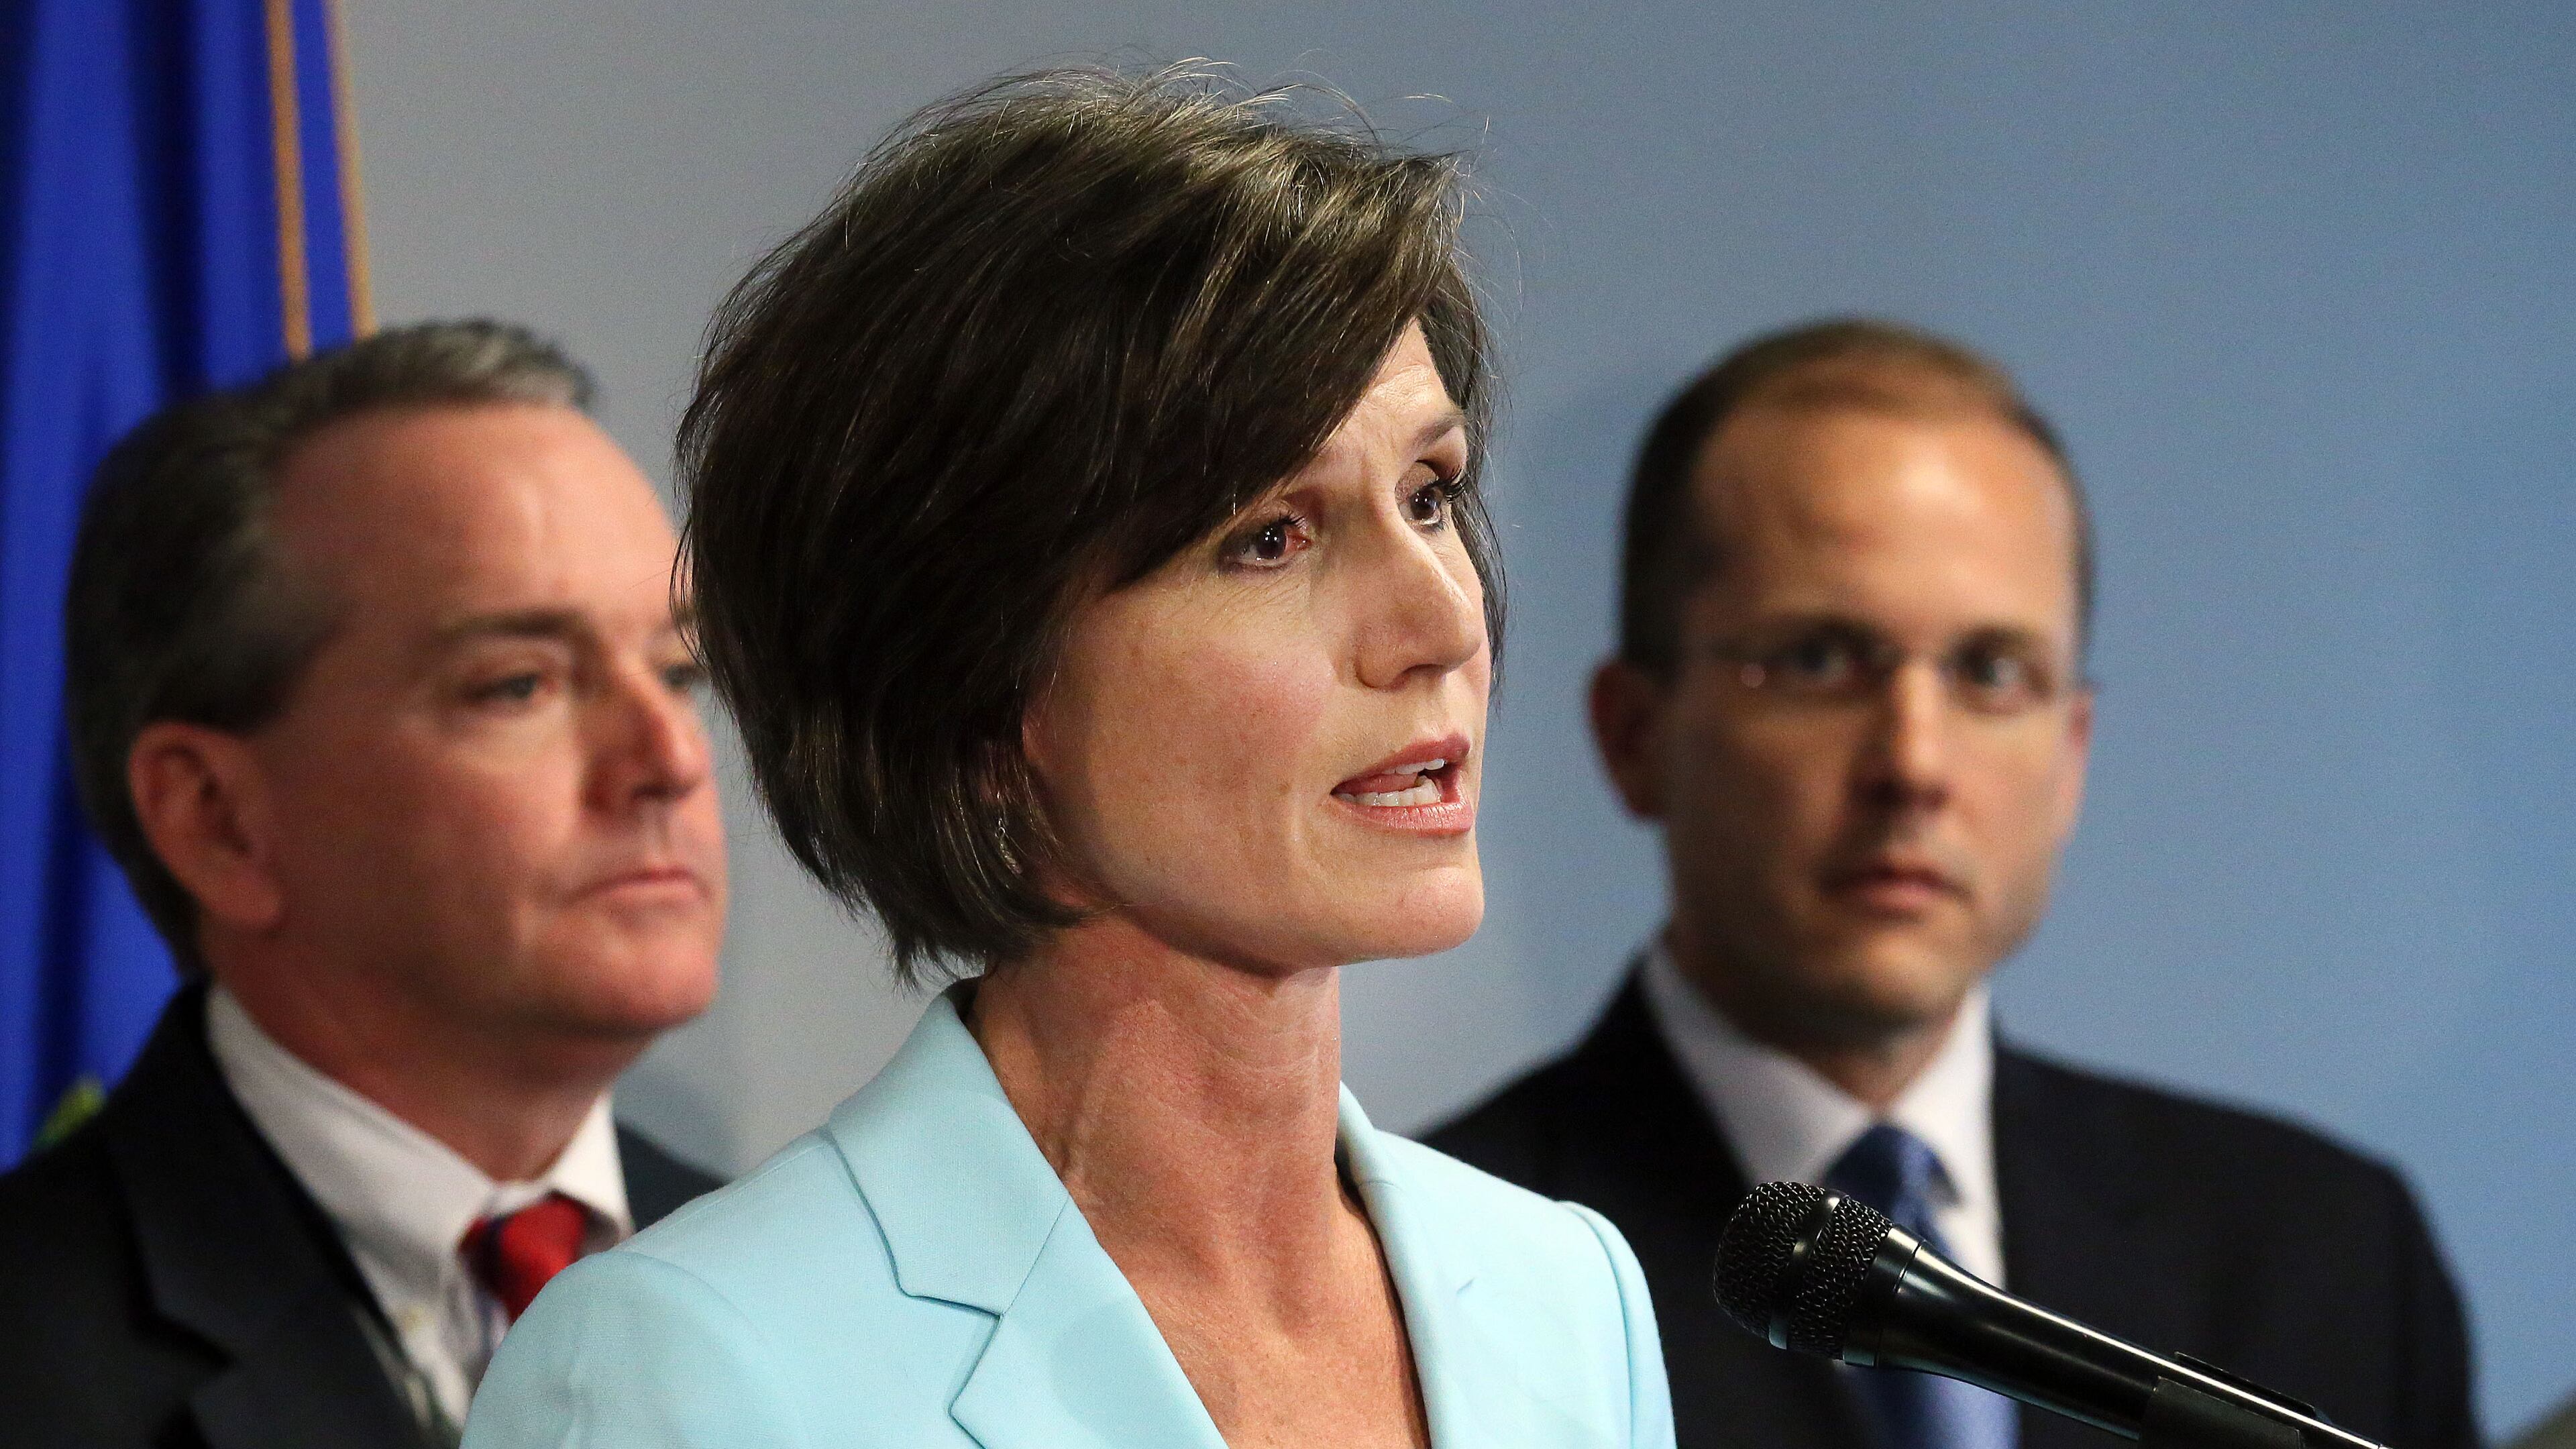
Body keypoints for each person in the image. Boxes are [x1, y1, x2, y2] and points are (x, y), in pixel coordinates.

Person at [465, 69, 1673, 1449]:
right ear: (976, 691)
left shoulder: (1567, 1296)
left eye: (1430, 496)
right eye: (1272, 534)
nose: (1443, 621)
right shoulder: (685, 1370)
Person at [1428, 321, 2478, 1449]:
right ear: (1634, 734)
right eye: (1821, 660)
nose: (1914, 765)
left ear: (2072, 751)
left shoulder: (2324, 1255)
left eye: (1991, 672)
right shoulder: (1441, 1268)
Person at [0, 321, 730, 1449]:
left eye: (678, 672)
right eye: (518, 685)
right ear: (220, 823)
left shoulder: (803, 1285)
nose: (671, 762)